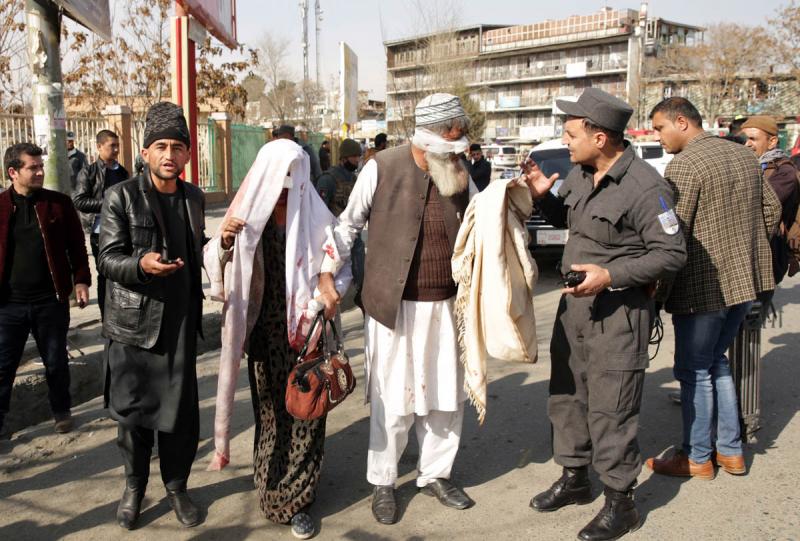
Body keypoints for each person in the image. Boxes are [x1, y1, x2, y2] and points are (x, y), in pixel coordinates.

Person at [523, 88, 687, 541]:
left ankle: (621, 502)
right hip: (573, 310)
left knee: (612, 408)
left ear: (600, 137)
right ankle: (575, 479)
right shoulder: (579, 173)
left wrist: (611, 275)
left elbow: (671, 254)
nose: (565, 140)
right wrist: (544, 197)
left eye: (571, 133)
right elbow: (571, 221)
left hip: (618, 313)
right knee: (567, 397)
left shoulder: (647, 187)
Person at [323, 93, 479, 525]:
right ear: (428, 135)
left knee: (445, 396)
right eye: (452, 137)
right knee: (394, 399)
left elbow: (482, 220)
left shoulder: (460, 171)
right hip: (393, 308)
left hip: (447, 306)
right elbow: (348, 224)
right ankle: (384, 482)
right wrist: (326, 274)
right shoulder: (381, 166)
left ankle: (436, 474)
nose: (458, 146)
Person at [204, 138, 350, 540]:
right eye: (280, 176)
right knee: (271, 414)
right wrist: (226, 242)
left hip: (305, 335)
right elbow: (215, 263)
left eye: (293, 176)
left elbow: (339, 261)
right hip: (264, 336)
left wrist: (327, 283)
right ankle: (271, 487)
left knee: (306, 413)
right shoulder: (248, 214)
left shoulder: (317, 215)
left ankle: (299, 500)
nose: (286, 186)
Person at [646, 98, 780, 481]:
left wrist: (658, 295)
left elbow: (674, 236)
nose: (658, 137)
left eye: (659, 128)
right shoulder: (743, 156)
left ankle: (698, 456)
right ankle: (731, 451)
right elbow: (771, 211)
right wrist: (744, 247)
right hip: (746, 281)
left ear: (683, 122)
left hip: (704, 288)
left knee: (694, 370)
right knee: (714, 362)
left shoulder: (685, 164)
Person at [98, 102, 206, 530]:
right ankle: (133, 487)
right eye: (160, 146)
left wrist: (225, 249)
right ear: (144, 152)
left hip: (179, 325)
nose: (169, 154)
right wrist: (141, 265)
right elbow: (108, 258)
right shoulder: (119, 196)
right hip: (133, 328)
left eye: (177, 147)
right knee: (134, 417)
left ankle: (177, 487)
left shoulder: (194, 198)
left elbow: (202, 252)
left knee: (179, 417)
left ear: (187, 154)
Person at [0, 143, 90, 439]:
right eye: (33, 167)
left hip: (50, 300)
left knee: (55, 361)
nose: (40, 172)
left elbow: (77, 246)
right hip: (8, 305)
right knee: (3, 367)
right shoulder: (1, 207)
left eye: (41, 166)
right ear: (13, 172)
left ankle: (61, 413)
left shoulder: (58, 204)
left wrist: (81, 281)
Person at [741, 115, 800, 312]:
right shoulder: (748, 164)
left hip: (770, 254)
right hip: (742, 253)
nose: (747, 144)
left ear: (772, 141)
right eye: (745, 139)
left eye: (753, 139)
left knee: (750, 320)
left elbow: (759, 202)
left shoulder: (785, 172)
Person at [72, 129, 130, 319]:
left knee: (122, 273)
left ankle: (122, 315)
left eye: (117, 146)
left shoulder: (122, 172)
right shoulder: (88, 172)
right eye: (111, 146)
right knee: (105, 274)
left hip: (122, 230)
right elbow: (80, 201)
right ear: (99, 147)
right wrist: (107, 203)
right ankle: (107, 317)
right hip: (100, 232)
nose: (115, 150)